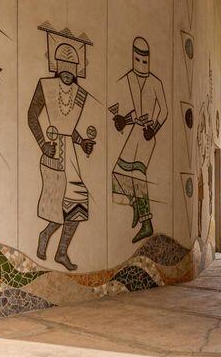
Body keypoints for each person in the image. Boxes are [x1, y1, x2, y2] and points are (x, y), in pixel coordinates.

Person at [28, 43, 96, 270]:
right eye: (63, 68)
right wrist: (42, 144)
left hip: (71, 157)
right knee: (57, 205)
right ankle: (45, 236)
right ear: (57, 67)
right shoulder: (46, 86)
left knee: (77, 205)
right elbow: (32, 116)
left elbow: (68, 126)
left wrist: (82, 142)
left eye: (71, 69)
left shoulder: (79, 94)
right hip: (54, 153)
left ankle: (61, 251)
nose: (67, 73)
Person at [111, 37, 168, 243]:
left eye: (145, 60)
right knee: (117, 172)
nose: (141, 64)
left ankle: (147, 223)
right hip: (133, 133)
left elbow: (164, 111)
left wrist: (153, 128)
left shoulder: (155, 82)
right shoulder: (127, 79)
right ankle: (136, 205)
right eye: (138, 59)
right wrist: (122, 119)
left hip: (146, 136)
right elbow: (115, 106)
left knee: (138, 175)